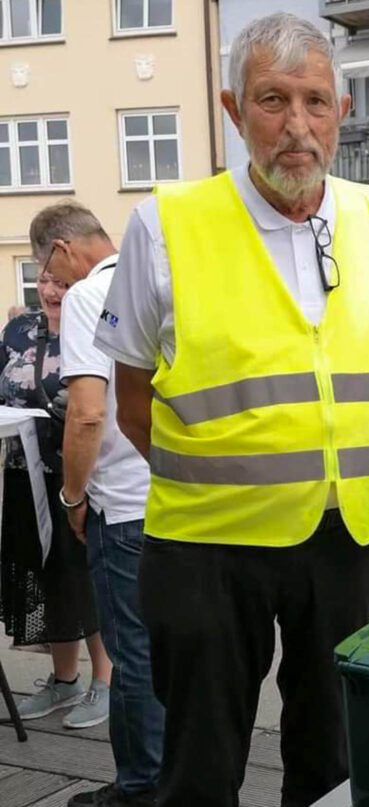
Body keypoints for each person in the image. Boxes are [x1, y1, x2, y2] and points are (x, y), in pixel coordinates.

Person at [94, 13, 369, 807]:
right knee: (200, 767)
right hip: (207, 549)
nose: (297, 126)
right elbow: (133, 400)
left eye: (316, 101)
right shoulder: (165, 225)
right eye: (273, 100)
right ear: (234, 111)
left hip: (348, 540)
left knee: (335, 758)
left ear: (342, 112)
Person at [29, 203, 164, 807]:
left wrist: (72, 496)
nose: (52, 283)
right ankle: (184, 775)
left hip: (123, 504)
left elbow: (87, 414)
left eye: (47, 269)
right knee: (176, 646)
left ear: (62, 249)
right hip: (178, 495)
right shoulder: (159, 277)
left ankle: (141, 789)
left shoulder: (91, 294)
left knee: (134, 654)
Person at [0, 266, 112, 731]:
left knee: (84, 580)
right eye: (43, 280)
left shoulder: (96, 324)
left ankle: (105, 683)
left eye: (61, 283)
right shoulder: (19, 329)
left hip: (76, 477)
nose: (49, 290)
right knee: (46, 581)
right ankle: (64, 680)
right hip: (22, 476)